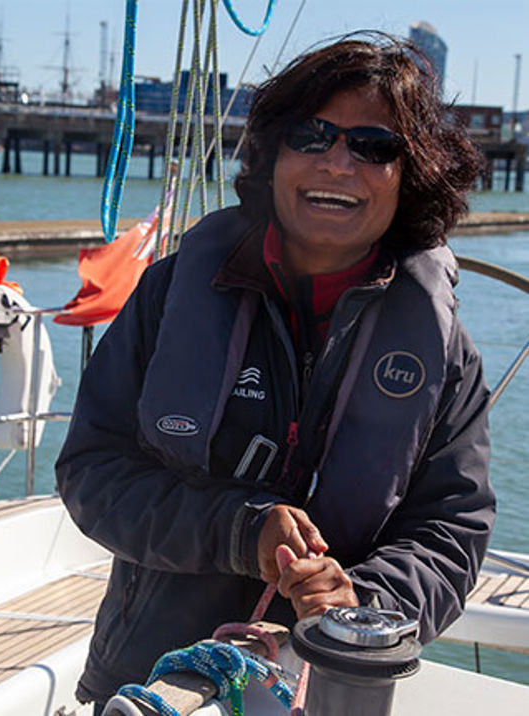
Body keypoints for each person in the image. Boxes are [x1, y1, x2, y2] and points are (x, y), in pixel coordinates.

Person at [55, 33, 495, 708]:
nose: (338, 163)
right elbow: (92, 471)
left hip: (332, 685)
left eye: (375, 146)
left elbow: (452, 529)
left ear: (413, 176)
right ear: (272, 154)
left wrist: (361, 603)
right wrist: (241, 530)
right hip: (150, 678)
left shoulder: (445, 353)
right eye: (311, 135)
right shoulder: (172, 294)